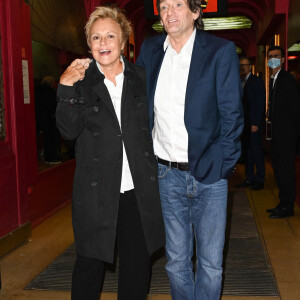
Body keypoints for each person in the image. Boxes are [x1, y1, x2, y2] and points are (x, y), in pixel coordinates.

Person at [136, 0, 243, 299]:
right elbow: (133, 99)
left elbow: (232, 115)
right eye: (164, 5)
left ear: (196, 11)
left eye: (178, 4)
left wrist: (224, 166)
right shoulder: (150, 51)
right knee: (176, 262)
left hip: (209, 174)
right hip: (165, 174)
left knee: (210, 264)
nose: (169, 12)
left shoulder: (220, 51)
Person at [55, 6, 165, 300]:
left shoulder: (141, 78)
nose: (103, 43)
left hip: (137, 191)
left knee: (137, 267)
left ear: (124, 41)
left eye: (110, 36)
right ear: (89, 45)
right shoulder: (79, 81)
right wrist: (65, 87)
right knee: (90, 266)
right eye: (96, 37)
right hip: (95, 192)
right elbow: (67, 131)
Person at [265, 45, 300, 219]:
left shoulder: (287, 80)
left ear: (283, 59)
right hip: (277, 136)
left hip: (286, 137)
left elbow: (295, 110)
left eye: (276, 56)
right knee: (279, 171)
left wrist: (294, 137)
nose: (273, 59)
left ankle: (287, 207)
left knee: (286, 172)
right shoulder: (274, 79)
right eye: (270, 56)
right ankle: (283, 202)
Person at [236, 56, 265, 190]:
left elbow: (260, 103)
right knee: (247, 152)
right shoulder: (238, 81)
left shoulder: (256, 81)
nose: (243, 68)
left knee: (256, 152)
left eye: (245, 65)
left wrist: (256, 123)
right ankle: (249, 178)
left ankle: (259, 179)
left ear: (250, 66)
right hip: (243, 124)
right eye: (240, 65)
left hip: (253, 124)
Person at [35, 76, 61, 164]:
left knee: (46, 139)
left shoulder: (37, 91)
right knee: (51, 138)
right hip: (50, 119)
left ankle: (47, 157)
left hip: (40, 119)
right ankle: (52, 158)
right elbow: (54, 106)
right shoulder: (51, 92)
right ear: (51, 83)